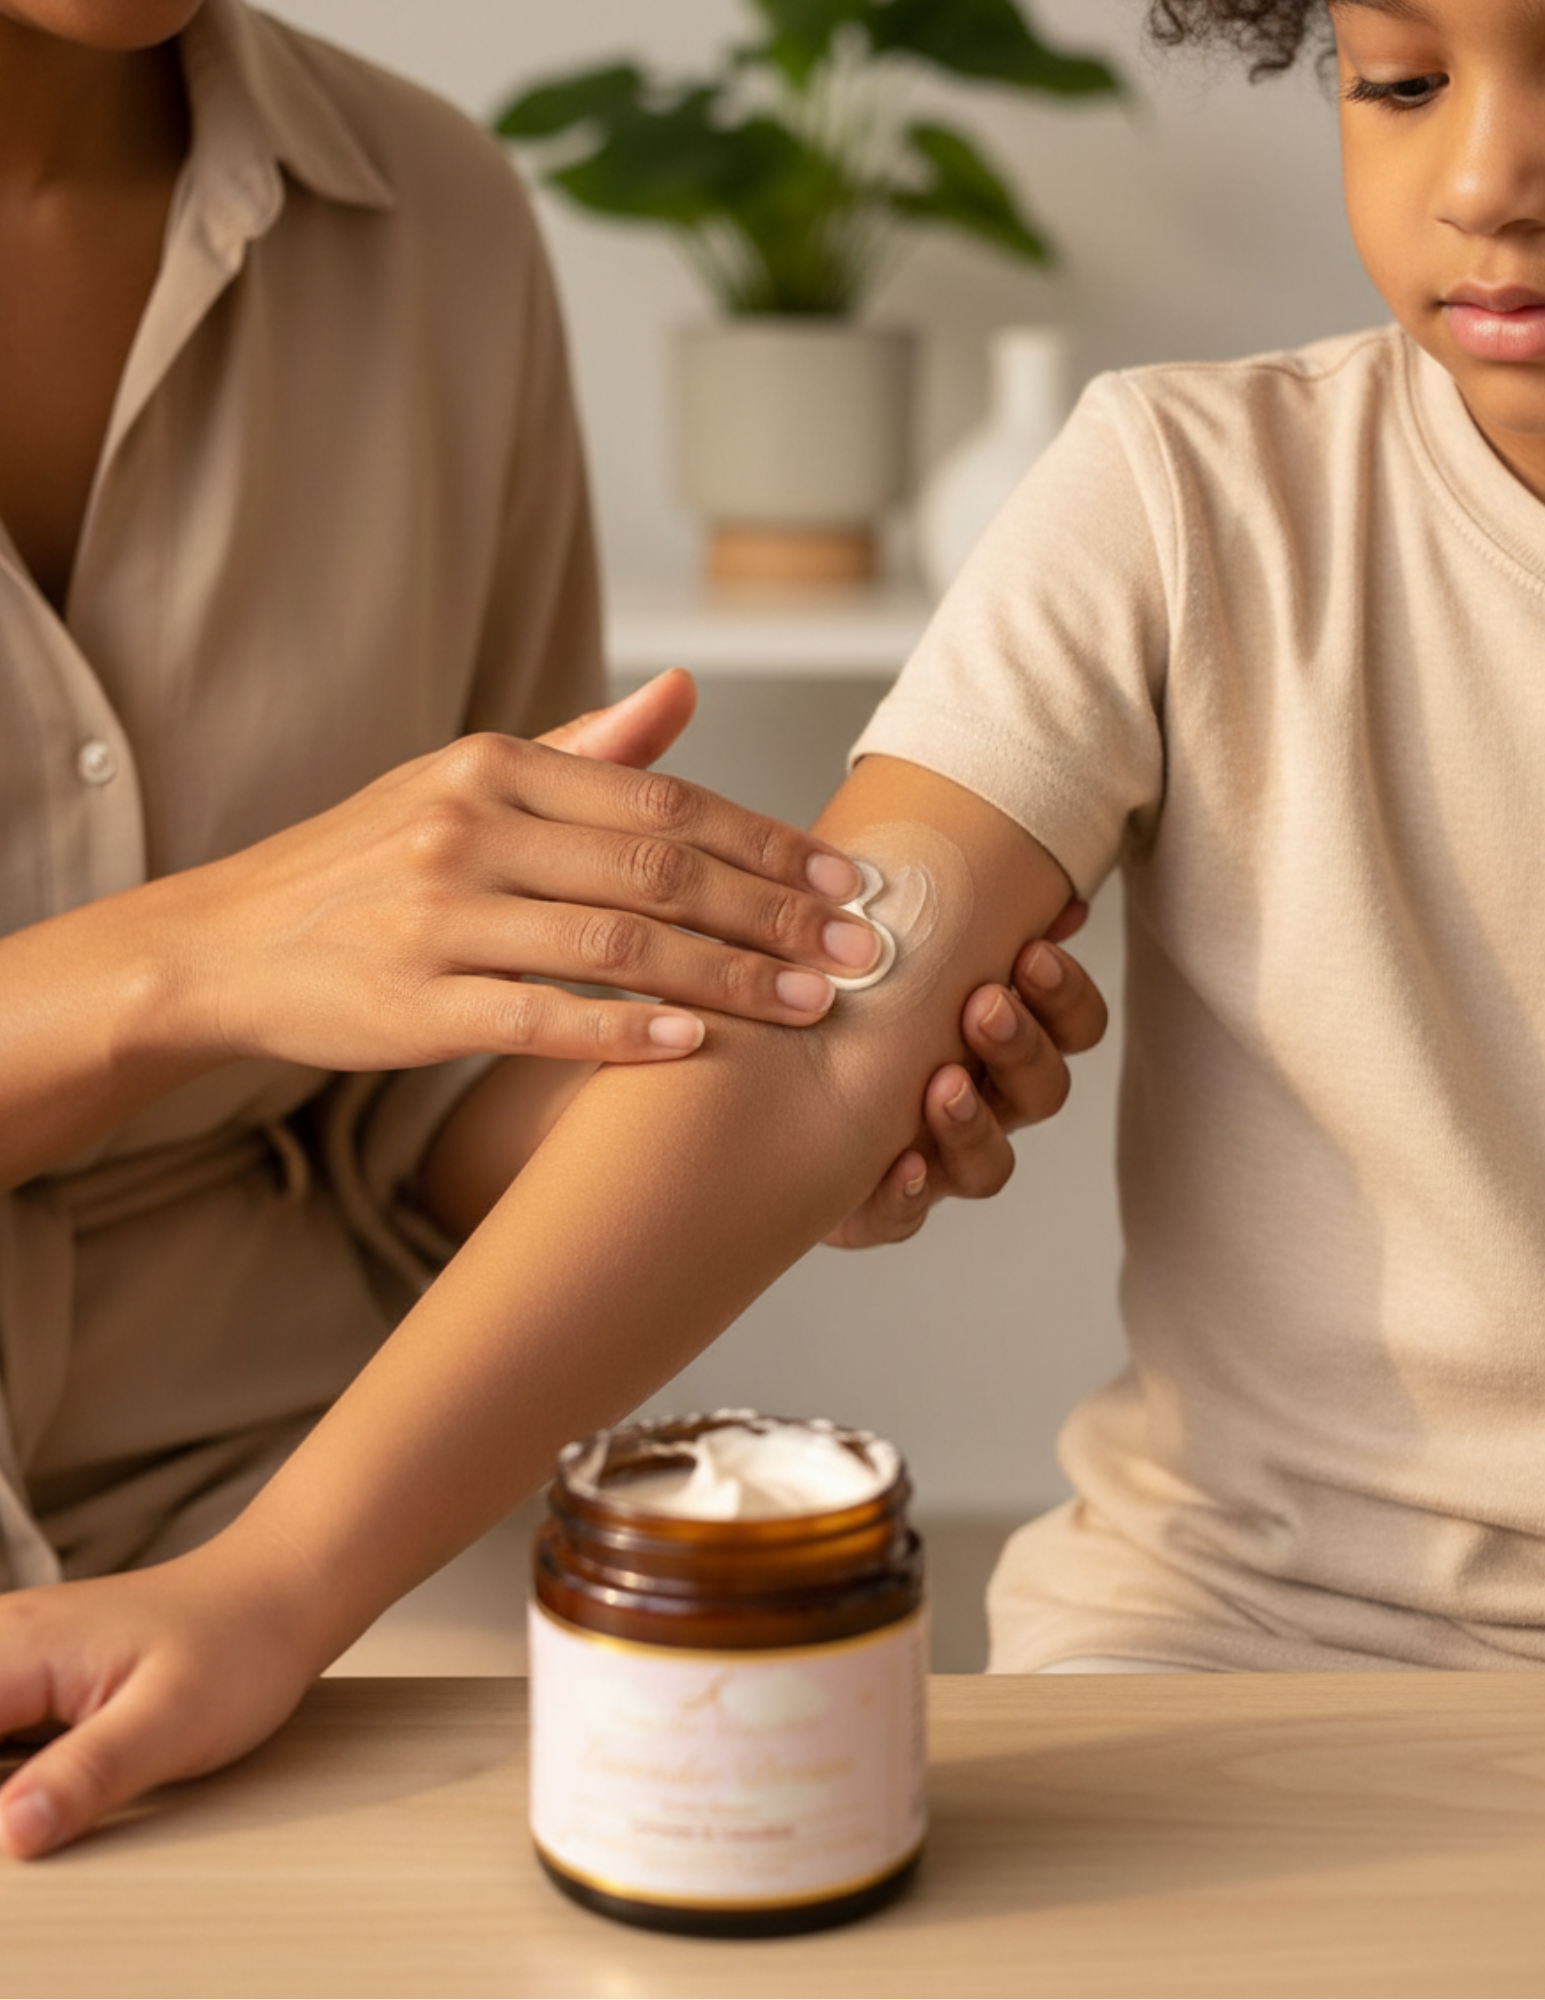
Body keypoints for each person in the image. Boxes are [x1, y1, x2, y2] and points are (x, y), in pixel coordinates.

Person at [24, 0, 1537, 1854]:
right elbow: (829, 1025)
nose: (1484, 181)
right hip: (1253, 1639)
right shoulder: (1197, 491)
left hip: (255, 1432)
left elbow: (810, 1031)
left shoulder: (429, 220)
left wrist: (754, 1112)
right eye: (1397, 82)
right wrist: (184, 969)